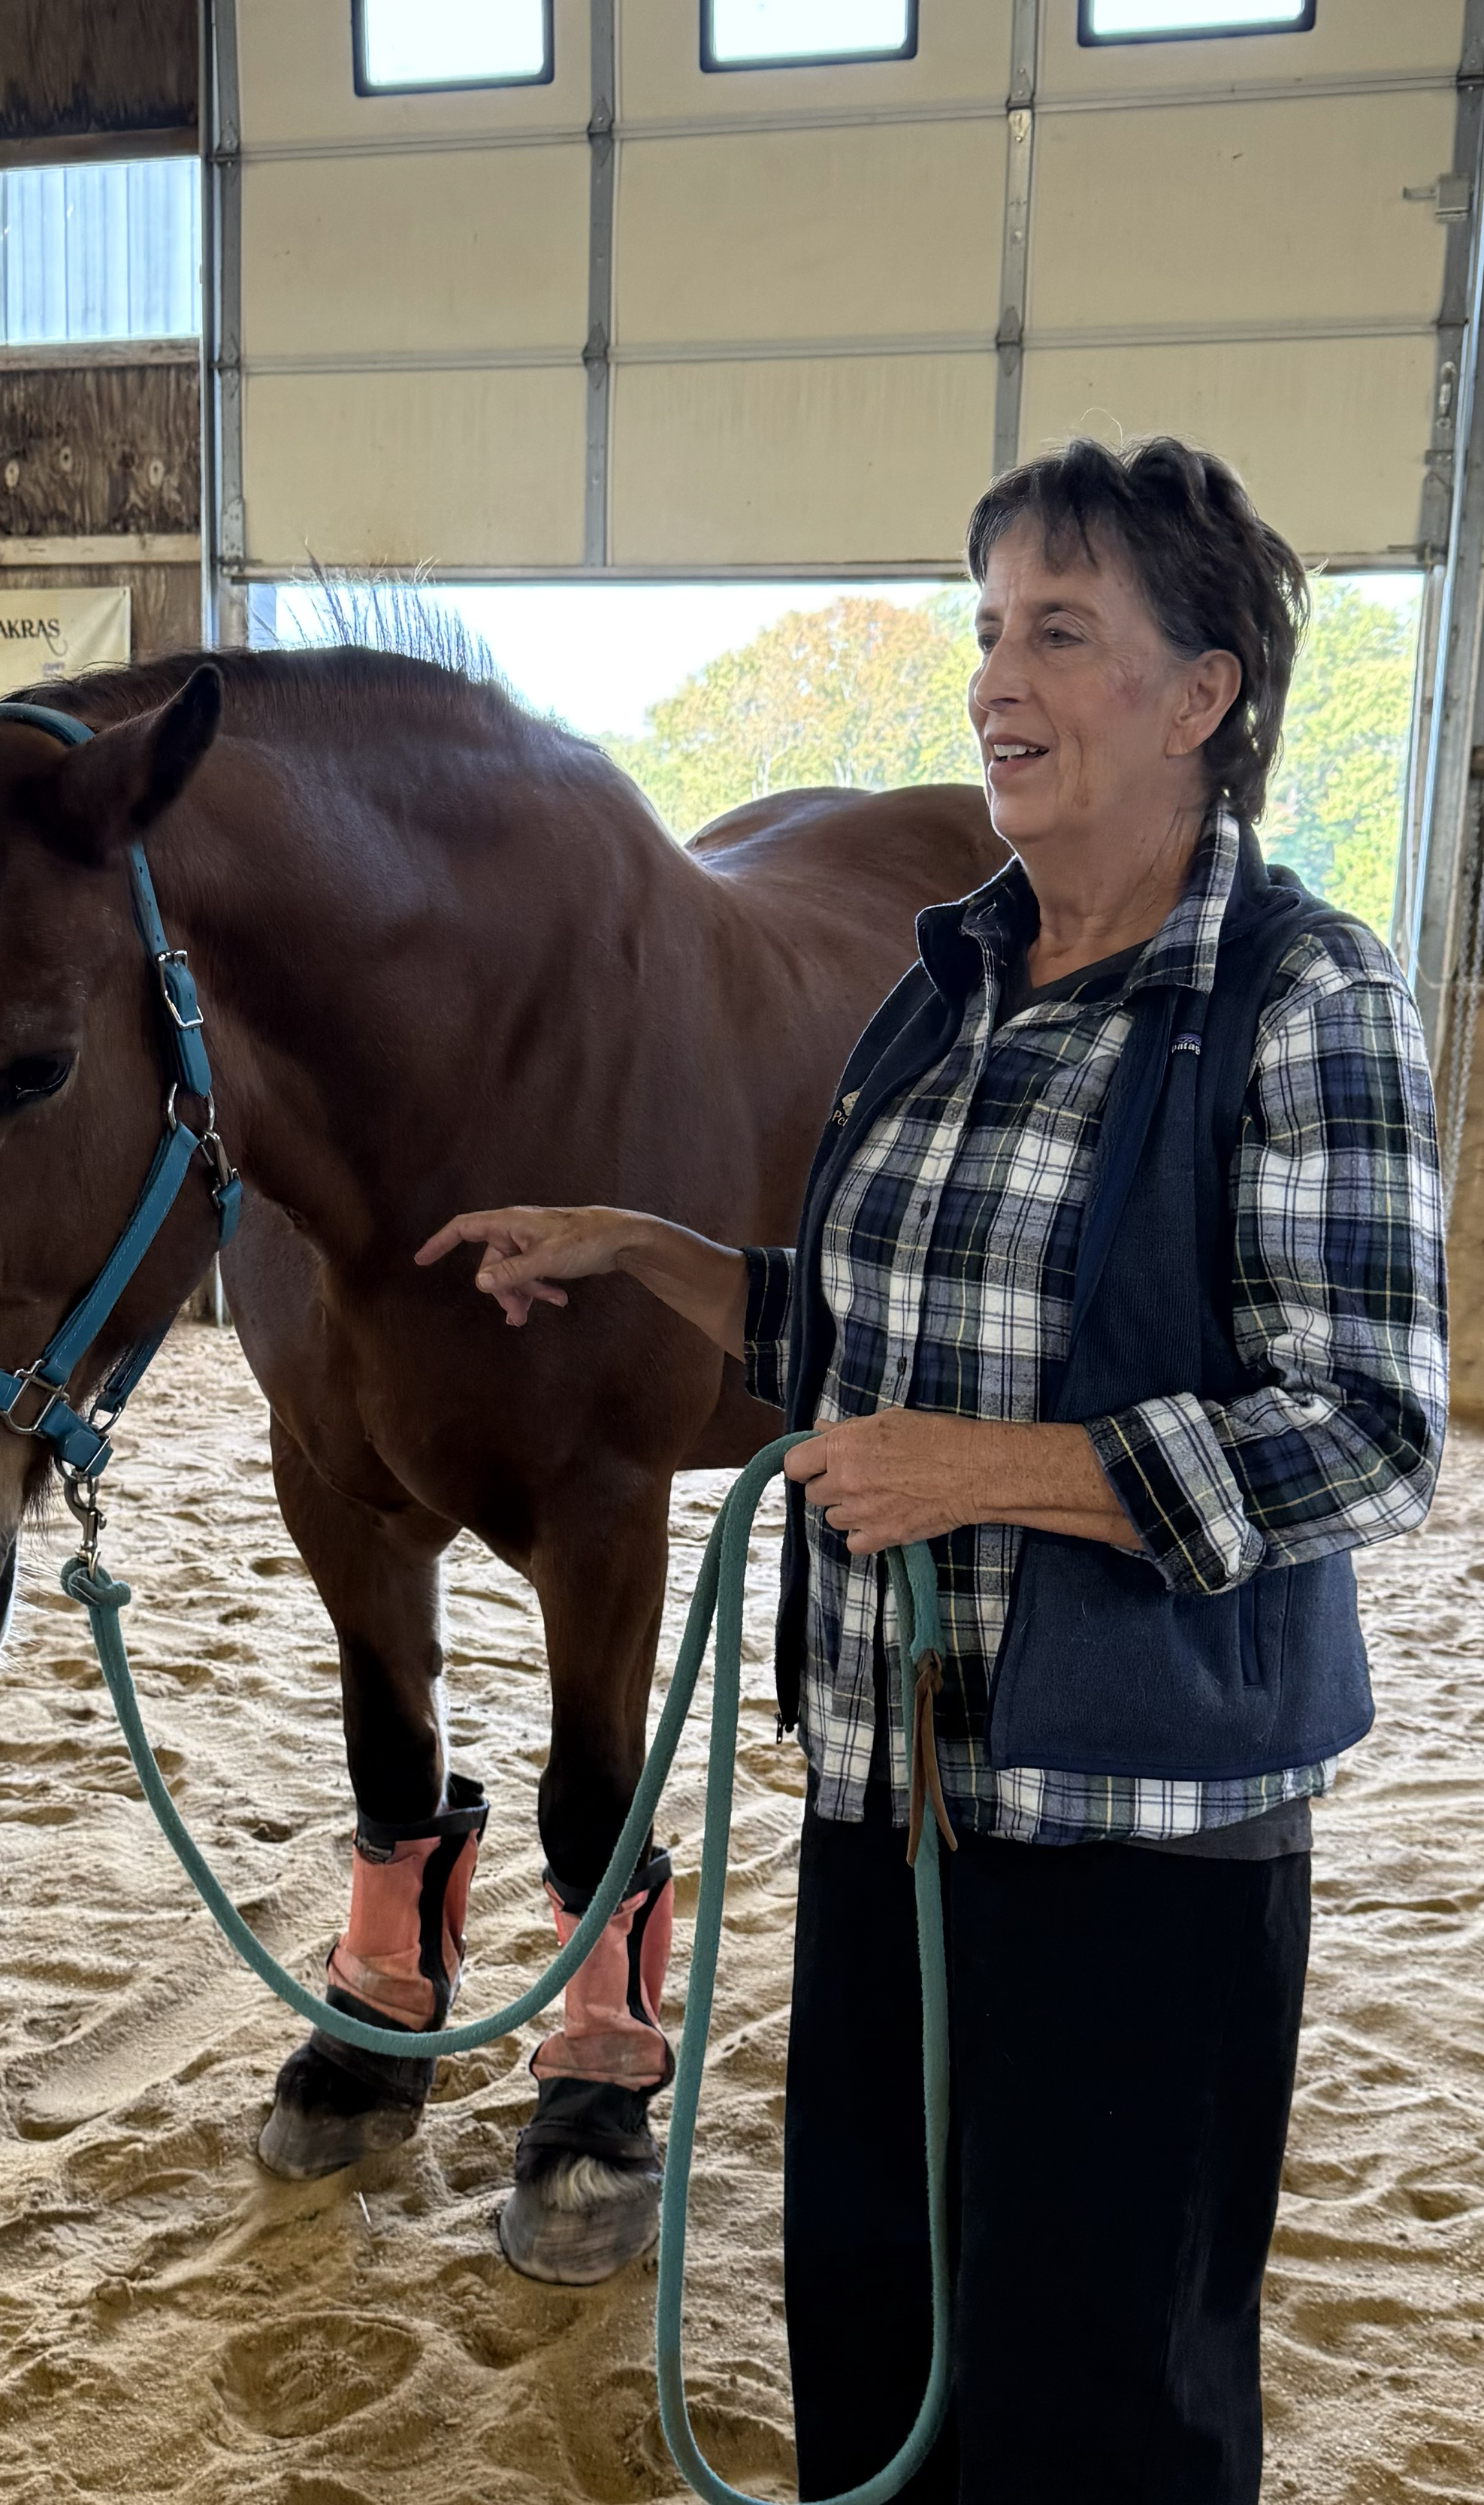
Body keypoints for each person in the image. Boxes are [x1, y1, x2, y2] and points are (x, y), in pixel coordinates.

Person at [416, 436, 1448, 2503]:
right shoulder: (946, 982)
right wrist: (657, 1258)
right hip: (888, 1799)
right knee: (877, 2341)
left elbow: (1368, 1424)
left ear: (1203, 690)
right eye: (986, 629)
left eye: (1058, 632)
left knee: (1097, 2394)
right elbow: (865, 1348)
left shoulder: (1296, 995)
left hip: (1136, 1841)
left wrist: (1009, 1471)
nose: (994, 677)